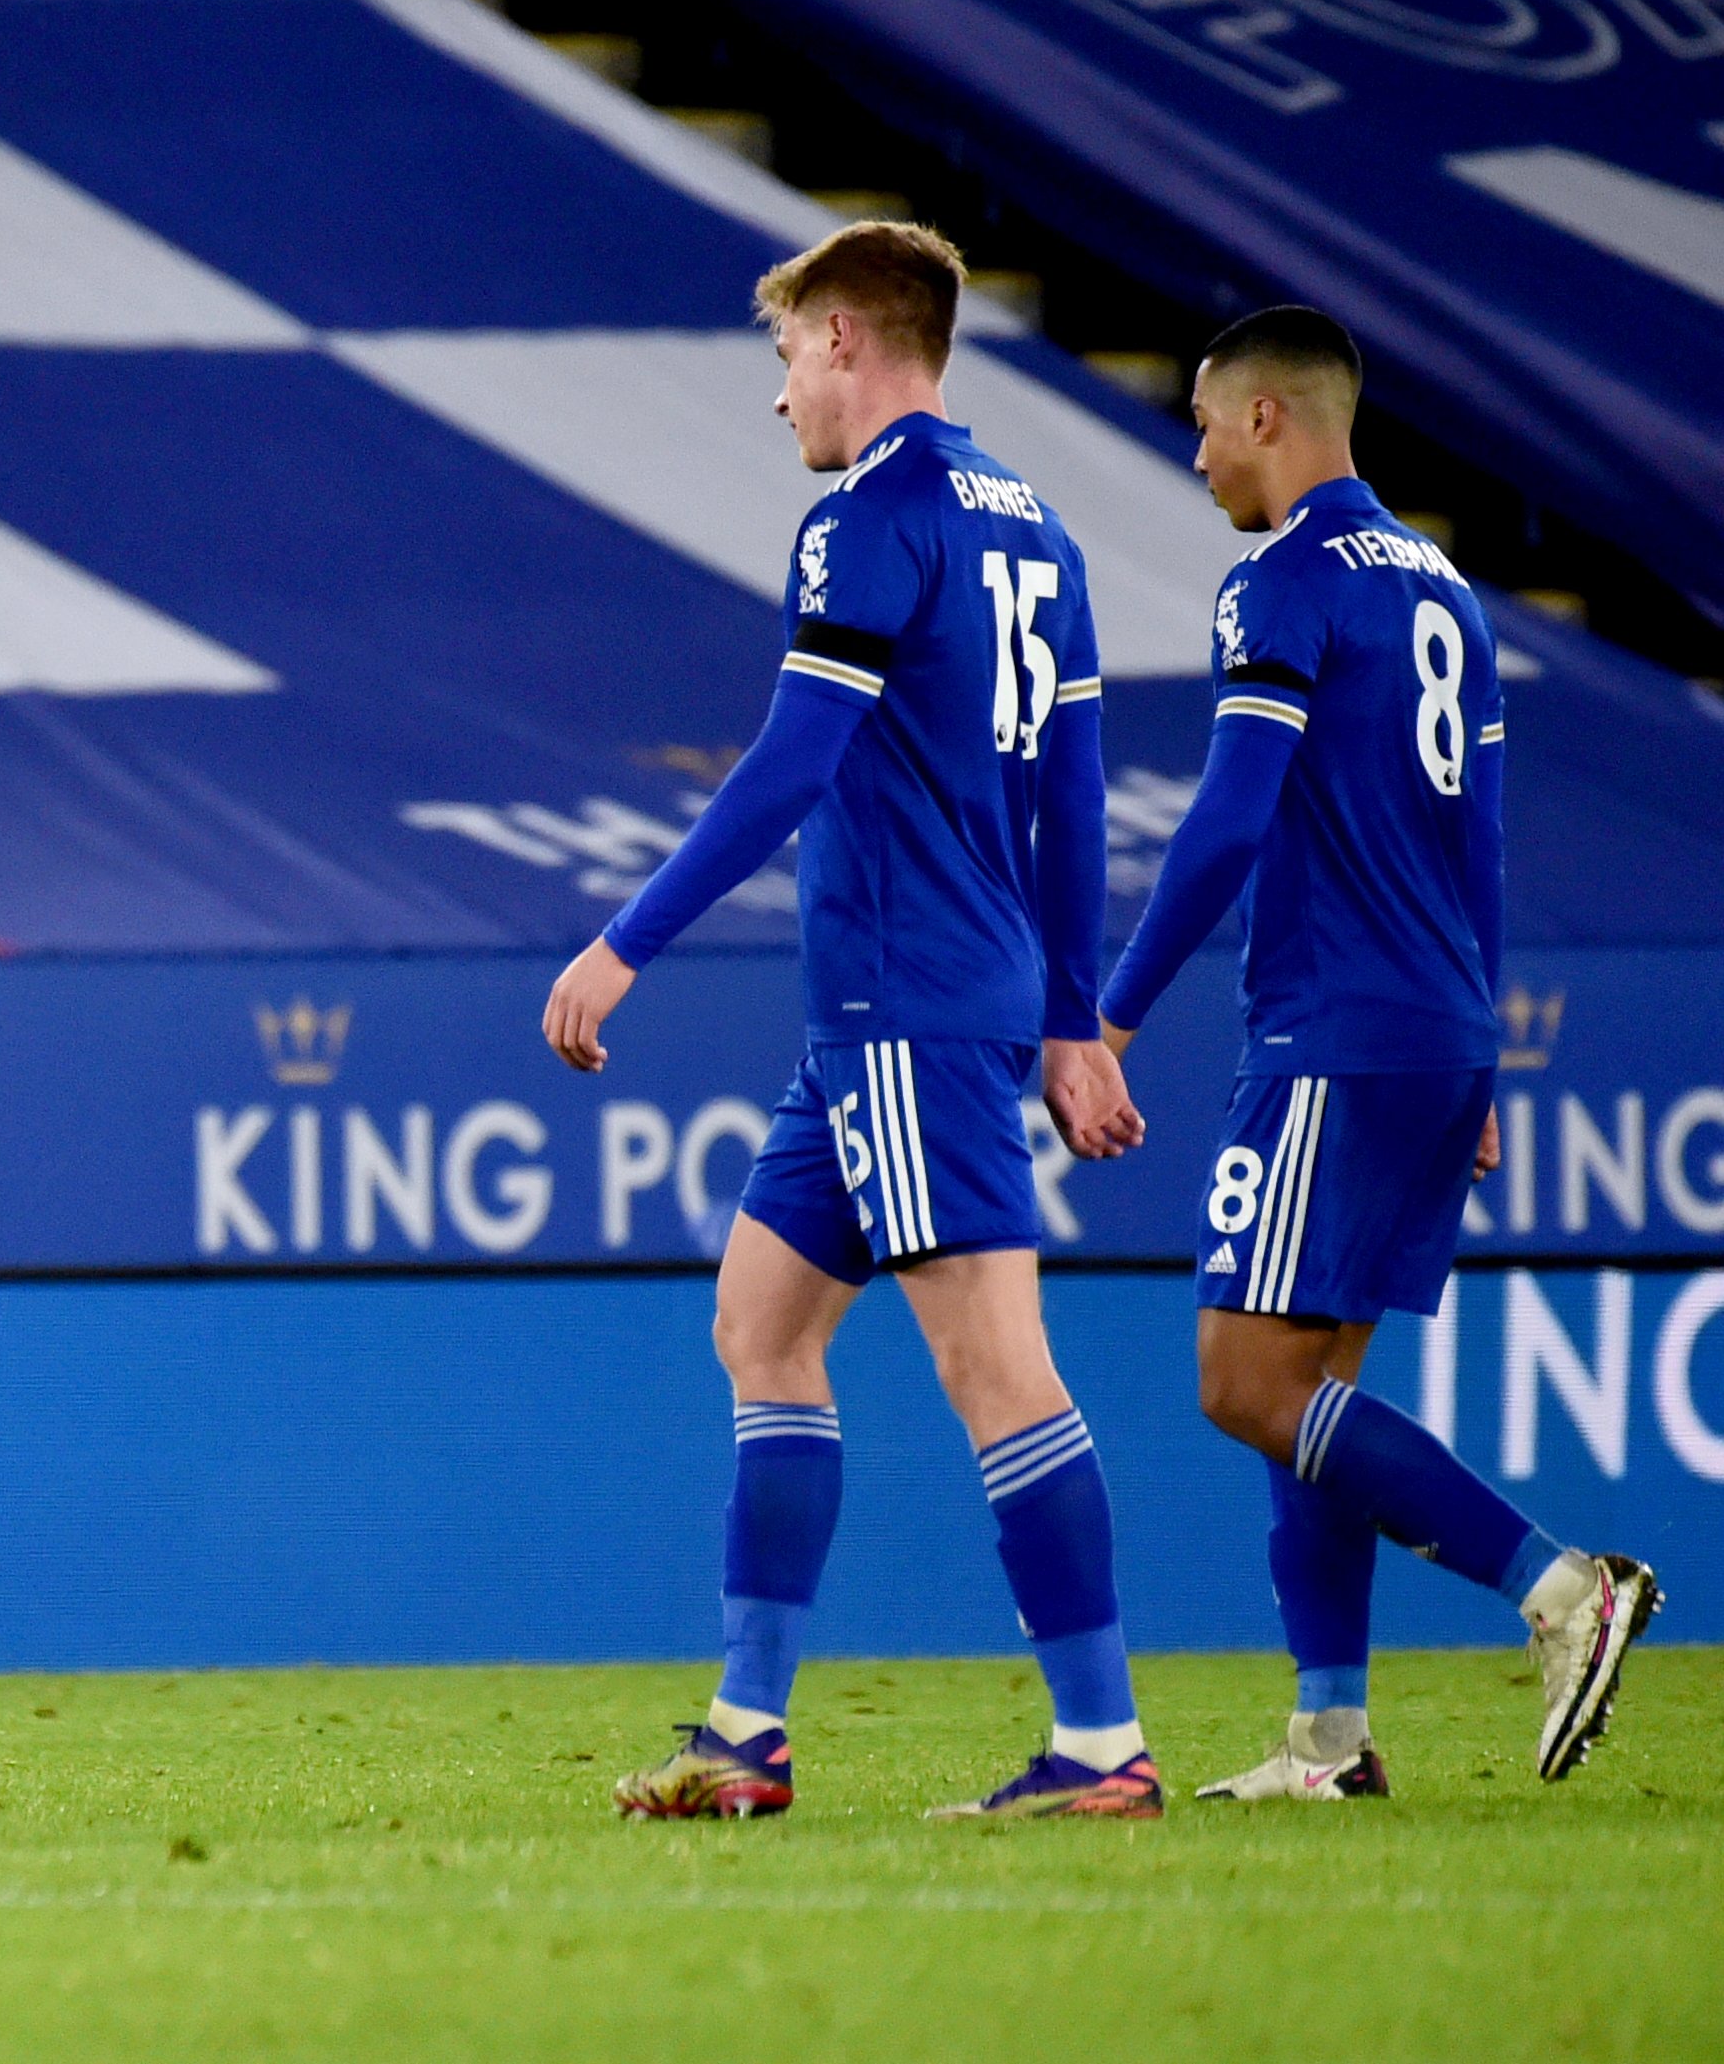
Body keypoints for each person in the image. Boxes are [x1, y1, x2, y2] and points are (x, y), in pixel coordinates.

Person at [547, 221, 1164, 1821]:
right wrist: (1072, 1009)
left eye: (781, 362)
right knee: (760, 1320)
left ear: (839, 338)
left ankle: (1101, 1746)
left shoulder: (866, 517)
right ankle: (747, 1732)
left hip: (904, 999)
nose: (778, 404)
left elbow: (791, 758)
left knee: (997, 1367)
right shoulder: (1036, 527)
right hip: (904, 1014)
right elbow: (1074, 794)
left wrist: (628, 941)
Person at [1099, 306, 1659, 1799]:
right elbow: (1480, 839)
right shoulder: (1448, 590)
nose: (1203, 450)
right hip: (1434, 1024)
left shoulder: (1278, 583)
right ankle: (1330, 1741)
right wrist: (1479, 1042)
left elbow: (1224, 819)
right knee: (1316, 1385)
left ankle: (1561, 1587)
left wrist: (1115, 1006)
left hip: (1332, 1029)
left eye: (1211, 421)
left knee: (1241, 1377)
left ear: (1273, 419)